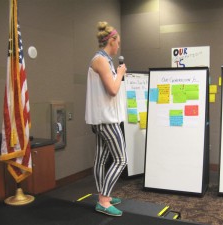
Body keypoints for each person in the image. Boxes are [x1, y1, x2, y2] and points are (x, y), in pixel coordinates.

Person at [85, 21, 128, 217]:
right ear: (111, 40)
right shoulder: (100, 60)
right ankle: (103, 199)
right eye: (117, 42)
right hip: (106, 120)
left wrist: (117, 73)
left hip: (106, 119)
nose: (118, 45)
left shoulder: (105, 60)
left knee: (102, 159)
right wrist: (120, 73)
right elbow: (112, 89)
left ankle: (105, 195)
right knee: (121, 159)